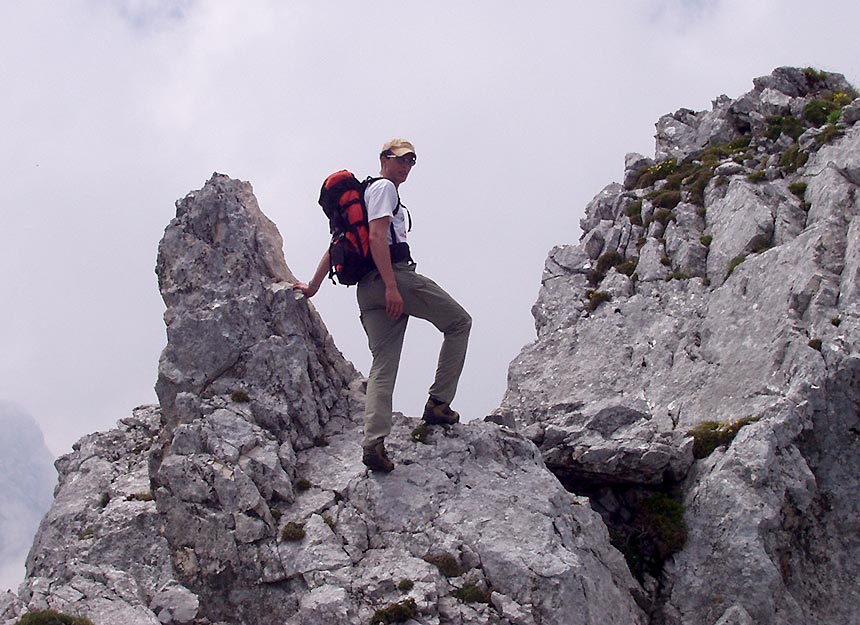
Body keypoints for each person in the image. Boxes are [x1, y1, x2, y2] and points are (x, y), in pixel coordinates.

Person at [294, 138, 472, 472]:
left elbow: (336, 245)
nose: (405, 167)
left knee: (383, 363)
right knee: (459, 323)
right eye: (400, 160)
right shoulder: (385, 189)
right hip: (393, 279)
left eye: (411, 162)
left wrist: (313, 286)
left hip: (366, 290)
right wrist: (392, 286)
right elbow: (377, 237)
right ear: (384, 159)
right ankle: (439, 403)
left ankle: (373, 443)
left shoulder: (360, 201)